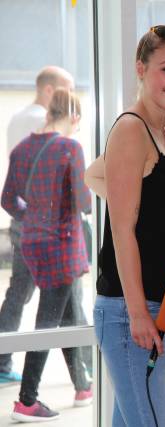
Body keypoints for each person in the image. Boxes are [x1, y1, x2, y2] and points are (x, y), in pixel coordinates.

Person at [85, 25, 165, 426]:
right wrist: (137, 313)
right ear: (141, 69)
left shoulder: (159, 130)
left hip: (162, 306)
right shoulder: (132, 129)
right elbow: (122, 231)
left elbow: (93, 175)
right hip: (134, 311)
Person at [2, 89, 93, 422]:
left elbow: (8, 199)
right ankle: (27, 400)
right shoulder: (70, 148)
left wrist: (33, 218)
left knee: (67, 313)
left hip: (33, 245)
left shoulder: (22, 148)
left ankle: (83, 386)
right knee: (48, 321)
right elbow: (84, 202)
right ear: (74, 117)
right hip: (63, 246)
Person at [0, 66, 75, 386]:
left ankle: (2, 363)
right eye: (67, 90)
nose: (71, 98)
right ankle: (82, 377)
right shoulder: (43, 124)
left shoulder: (17, 118)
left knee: (18, 293)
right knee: (63, 302)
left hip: (23, 221)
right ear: (49, 90)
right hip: (46, 228)